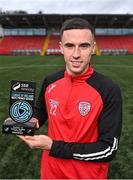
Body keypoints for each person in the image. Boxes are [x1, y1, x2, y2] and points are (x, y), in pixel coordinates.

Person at [18, 18, 122, 179]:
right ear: (61, 48)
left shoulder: (108, 89)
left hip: (87, 176)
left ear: (93, 48)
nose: (76, 54)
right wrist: (25, 121)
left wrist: (53, 146)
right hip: (49, 173)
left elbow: (108, 149)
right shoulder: (50, 81)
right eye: (69, 46)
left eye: (84, 46)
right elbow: (41, 110)